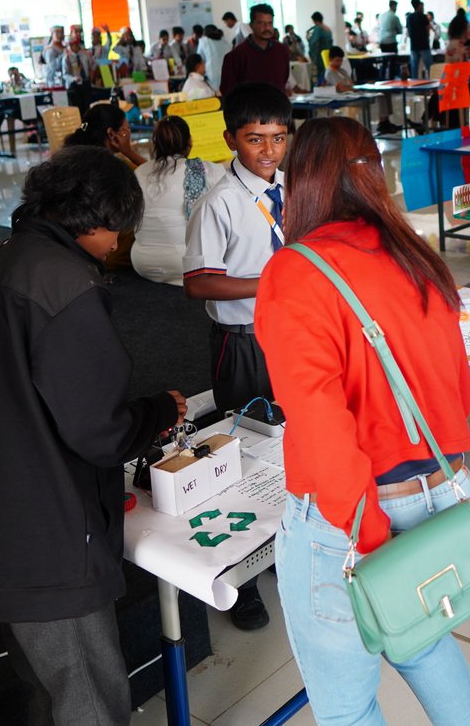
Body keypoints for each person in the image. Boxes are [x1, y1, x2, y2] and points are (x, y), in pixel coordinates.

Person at [0, 146, 188, 726]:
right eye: (117, 231)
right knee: (88, 696)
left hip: (1, 518)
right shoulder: (68, 287)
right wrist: (157, 411)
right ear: (93, 220)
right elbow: (101, 431)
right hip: (52, 534)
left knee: (48, 690)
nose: (117, 245)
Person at [256, 117, 470, 726]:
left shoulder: (295, 271)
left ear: (300, 182)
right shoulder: (415, 253)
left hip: (355, 516)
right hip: (439, 489)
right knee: (423, 642)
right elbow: (457, 388)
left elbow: (320, 427)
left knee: (346, 708)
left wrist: (371, 542)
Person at [182, 83, 292, 630]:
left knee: (289, 439)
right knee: (244, 450)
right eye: (255, 139)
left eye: (277, 137)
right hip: (242, 339)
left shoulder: (290, 189)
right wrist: (270, 282)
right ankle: (239, 581)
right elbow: (199, 283)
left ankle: (283, 544)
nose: (268, 150)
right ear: (231, 139)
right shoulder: (219, 202)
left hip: (290, 334)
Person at [130, 115, 226, 285]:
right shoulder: (204, 169)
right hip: (185, 264)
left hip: (141, 263)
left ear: (155, 144)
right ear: (189, 142)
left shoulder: (139, 172)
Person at [219, 4, 292, 96]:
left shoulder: (281, 51)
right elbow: (228, 91)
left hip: (278, 104)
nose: (267, 28)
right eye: (261, 23)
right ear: (251, 25)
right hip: (249, 105)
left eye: (270, 23)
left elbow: (283, 79)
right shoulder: (236, 56)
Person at [67, 102, 147, 169]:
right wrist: (129, 152)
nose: (129, 133)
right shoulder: (111, 168)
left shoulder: (72, 157)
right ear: (111, 134)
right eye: (126, 129)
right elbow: (151, 173)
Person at [405, 0, 434, 79]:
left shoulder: (409, 17)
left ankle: (414, 83)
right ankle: (433, 82)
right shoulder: (423, 17)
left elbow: (408, 32)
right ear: (419, 5)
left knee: (414, 68)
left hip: (413, 45)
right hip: (424, 45)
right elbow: (427, 30)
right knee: (429, 67)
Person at [305, 12, 335, 87]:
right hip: (327, 55)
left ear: (314, 20)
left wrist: (308, 39)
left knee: (318, 75)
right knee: (326, 73)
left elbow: (313, 43)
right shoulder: (327, 29)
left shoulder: (318, 29)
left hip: (319, 56)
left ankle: (316, 89)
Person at [198, 23, 229, 88]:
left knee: (215, 91)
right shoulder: (224, 40)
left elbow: (199, 58)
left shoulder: (204, 41)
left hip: (212, 74)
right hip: (227, 71)